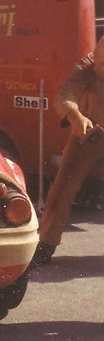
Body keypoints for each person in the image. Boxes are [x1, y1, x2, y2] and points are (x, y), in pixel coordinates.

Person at [32, 36, 104, 266]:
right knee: (63, 187)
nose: (98, 67)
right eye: (99, 60)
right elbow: (64, 97)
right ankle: (46, 244)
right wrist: (76, 116)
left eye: (103, 64)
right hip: (89, 131)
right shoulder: (87, 66)